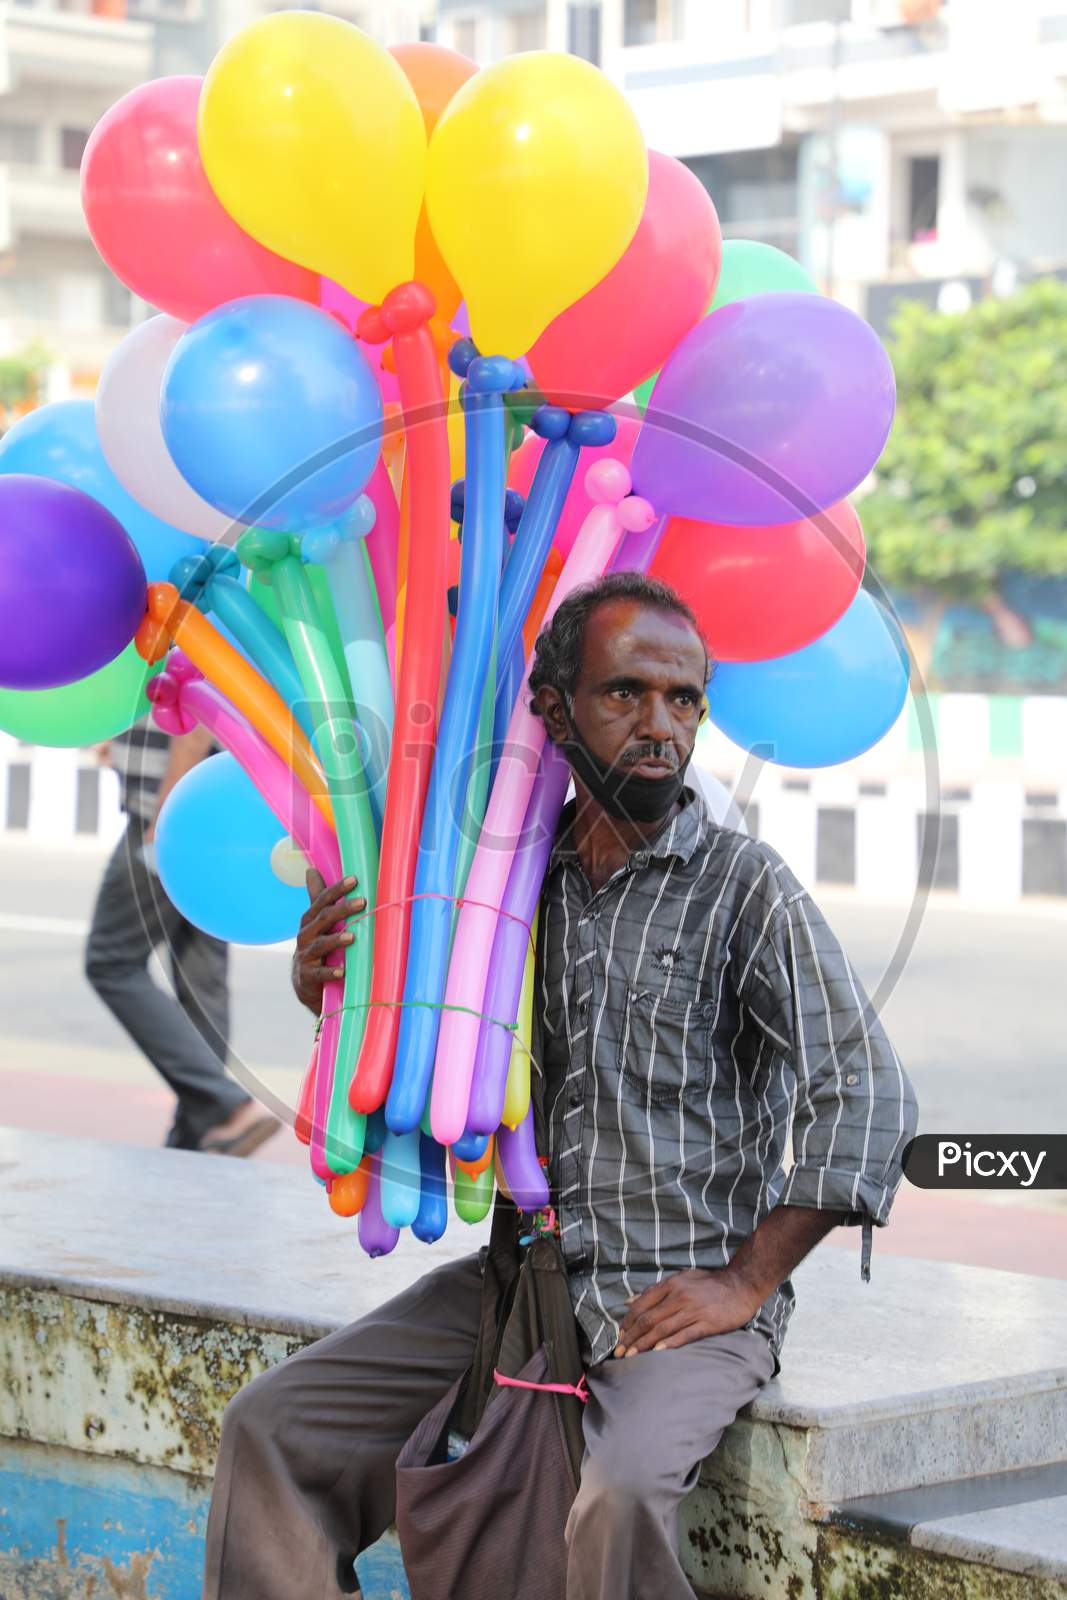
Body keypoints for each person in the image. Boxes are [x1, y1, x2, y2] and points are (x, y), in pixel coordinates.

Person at [203, 573, 918, 1599]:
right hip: (518, 1286)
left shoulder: (740, 887)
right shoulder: (504, 884)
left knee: (616, 1497)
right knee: (272, 1428)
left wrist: (743, 1282)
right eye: (625, 691)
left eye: (683, 701)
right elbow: (419, 1066)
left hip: (675, 1303)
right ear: (553, 708)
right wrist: (337, 983)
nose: (659, 725)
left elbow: (869, 1098)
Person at [87, 716, 279, 1157]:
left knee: (110, 961)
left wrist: (163, 818)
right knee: (200, 978)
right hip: (209, 818)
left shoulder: (178, 642)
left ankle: (223, 1106)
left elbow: (193, 722)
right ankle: (196, 1139)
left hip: (170, 814)